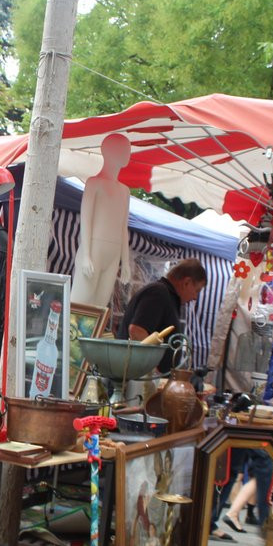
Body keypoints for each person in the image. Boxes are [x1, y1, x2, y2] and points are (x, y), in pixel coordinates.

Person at [71, 134, 133, 307]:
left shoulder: (124, 191)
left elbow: (123, 227)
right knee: (79, 303)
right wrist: (86, 255)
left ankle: (90, 334)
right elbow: (86, 220)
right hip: (94, 249)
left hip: (112, 254)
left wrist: (125, 261)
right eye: (124, 149)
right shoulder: (94, 184)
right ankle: (69, 333)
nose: (128, 154)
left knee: (99, 308)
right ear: (109, 152)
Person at [118, 258, 207, 372]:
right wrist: (154, 373)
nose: (195, 297)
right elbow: (137, 330)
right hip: (136, 381)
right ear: (186, 282)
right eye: (197, 290)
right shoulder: (158, 293)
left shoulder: (167, 296)